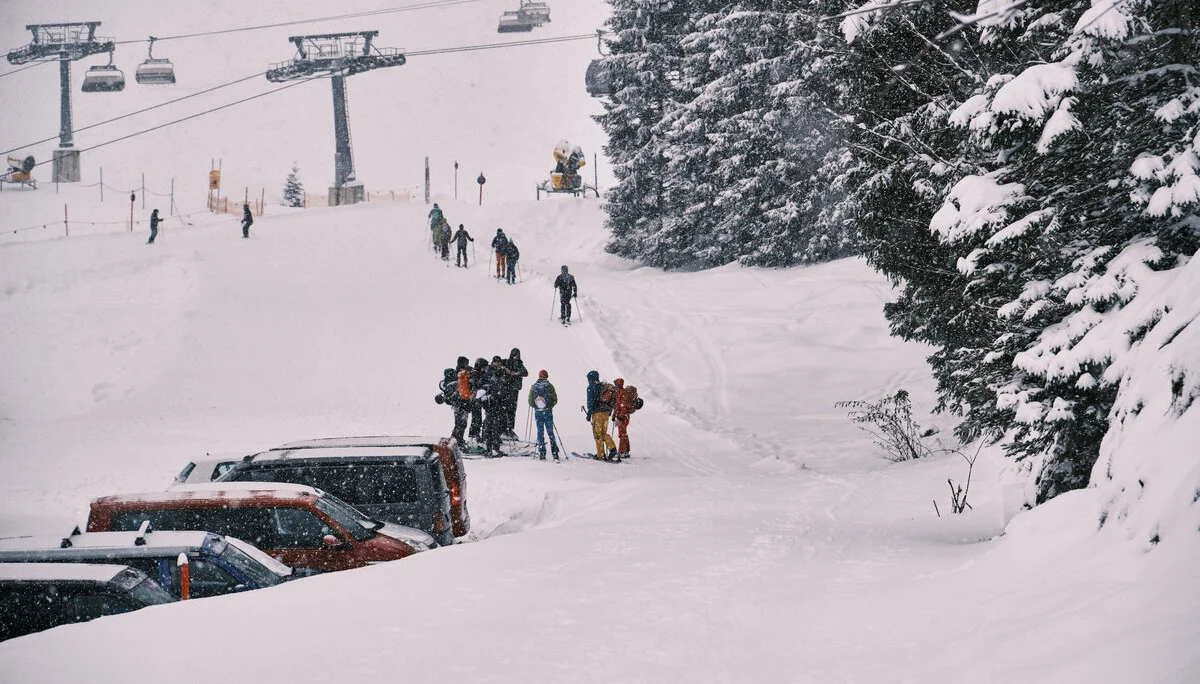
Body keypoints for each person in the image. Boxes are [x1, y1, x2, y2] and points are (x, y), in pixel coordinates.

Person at [585, 370, 618, 460]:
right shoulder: (604, 386)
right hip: (606, 414)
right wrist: (609, 411)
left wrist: (589, 414)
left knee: (598, 435)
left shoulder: (591, 387)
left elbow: (590, 403)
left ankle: (601, 454)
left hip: (597, 414)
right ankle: (612, 448)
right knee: (604, 433)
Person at [528, 370, 559, 460]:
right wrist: (549, 406)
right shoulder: (549, 386)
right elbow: (555, 399)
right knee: (550, 432)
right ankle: (554, 452)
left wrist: (537, 406)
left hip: (538, 413)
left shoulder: (534, 387)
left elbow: (530, 401)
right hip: (547, 412)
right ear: (547, 376)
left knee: (540, 432)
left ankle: (542, 452)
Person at [481, 356, 508, 457]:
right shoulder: (498, 384)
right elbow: (501, 397)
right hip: (495, 409)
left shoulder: (491, 382)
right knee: (495, 428)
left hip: (490, 408)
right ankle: (494, 449)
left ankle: (489, 448)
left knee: (489, 428)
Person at [500, 348, 529, 438]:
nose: (516, 357)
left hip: (514, 390)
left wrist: (515, 373)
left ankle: (510, 429)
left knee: (512, 409)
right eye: (514, 355)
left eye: (517, 355)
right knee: (505, 409)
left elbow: (526, 373)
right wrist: (505, 370)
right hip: (506, 389)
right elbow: (497, 365)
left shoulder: (520, 364)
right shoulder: (506, 362)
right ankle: (503, 429)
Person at [467, 357, 489, 442]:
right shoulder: (474, 374)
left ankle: (474, 436)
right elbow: (474, 386)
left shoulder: (480, 374)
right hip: (474, 400)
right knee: (476, 419)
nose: (485, 369)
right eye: (484, 367)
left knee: (477, 418)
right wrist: (483, 386)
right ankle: (473, 436)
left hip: (478, 400)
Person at [613, 378, 634, 459]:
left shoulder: (623, 393)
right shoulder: (618, 392)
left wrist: (621, 416)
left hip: (623, 416)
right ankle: (626, 450)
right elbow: (617, 406)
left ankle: (622, 452)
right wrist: (614, 415)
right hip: (621, 416)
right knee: (623, 433)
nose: (615, 385)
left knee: (622, 434)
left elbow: (623, 406)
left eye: (616, 384)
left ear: (618, 384)